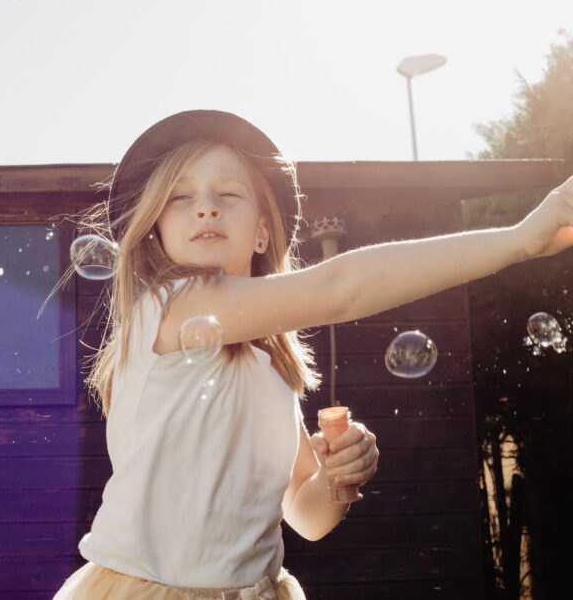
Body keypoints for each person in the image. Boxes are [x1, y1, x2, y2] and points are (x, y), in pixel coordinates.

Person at [55, 110, 573, 599]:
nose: (206, 206)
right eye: (179, 196)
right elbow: (341, 288)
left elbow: (307, 514)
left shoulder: (265, 367)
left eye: (229, 193)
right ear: (156, 232)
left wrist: (335, 476)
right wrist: (518, 241)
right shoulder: (166, 310)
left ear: (262, 231)